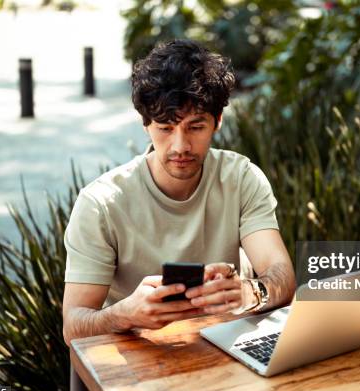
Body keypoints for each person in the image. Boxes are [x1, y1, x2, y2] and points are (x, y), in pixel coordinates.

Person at [62, 39, 296, 345]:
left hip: (227, 350)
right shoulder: (101, 204)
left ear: (218, 121)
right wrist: (126, 314)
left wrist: (251, 292)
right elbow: (73, 326)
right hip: (136, 365)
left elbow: (282, 275)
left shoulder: (241, 178)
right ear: (145, 124)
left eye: (196, 127)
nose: (180, 146)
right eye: (165, 127)